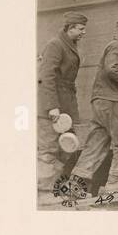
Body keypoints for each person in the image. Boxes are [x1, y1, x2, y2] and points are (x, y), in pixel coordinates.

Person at [67, 16, 118, 197]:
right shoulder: (117, 46)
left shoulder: (115, 47)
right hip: (112, 101)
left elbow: (112, 71)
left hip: (101, 101)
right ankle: (114, 182)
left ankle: (73, 187)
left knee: (97, 143)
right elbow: (112, 69)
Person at [37, 12, 87, 191]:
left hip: (66, 106)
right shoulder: (55, 45)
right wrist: (52, 107)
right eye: (81, 28)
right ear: (70, 27)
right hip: (53, 107)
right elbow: (45, 77)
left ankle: (51, 187)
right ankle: (43, 191)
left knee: (66, 146)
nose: (84, 32)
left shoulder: (68, 45)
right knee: (48, 150)